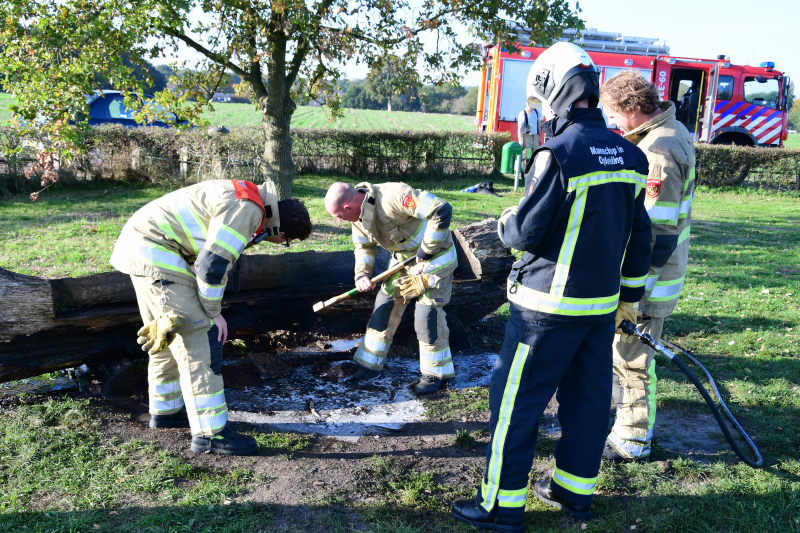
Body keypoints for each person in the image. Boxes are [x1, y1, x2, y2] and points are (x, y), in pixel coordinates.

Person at [450, 42, 652, 531]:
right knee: (586, 402)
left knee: (514, 406)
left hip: (543, 311)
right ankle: (572, 492)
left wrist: (502, 220)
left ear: (554, 92)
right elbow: (641, 236)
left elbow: (524, 233)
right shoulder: (630, 153)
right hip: (601, 310)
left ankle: (500, 506)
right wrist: (628, 298)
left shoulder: (557, 153)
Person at [110, 179, 313, 455]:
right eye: (285, 242)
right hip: (156, 253)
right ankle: (211, 435)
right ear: (281, 229)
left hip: (144, 247)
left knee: (167, 333)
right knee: (201, 337)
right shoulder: (249, 211)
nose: (280, 244)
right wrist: (213, 313)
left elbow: (203, 251)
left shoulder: (250, 199)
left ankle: (167, 411)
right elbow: (211, 266)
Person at [599, 71, 696, 462]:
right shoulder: (672, 131)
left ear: (632, 109)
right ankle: (621, 419)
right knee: (624, 356)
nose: (612, 124)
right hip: (657, 277)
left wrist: (633, 292)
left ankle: (633, 441)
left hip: (650, 282)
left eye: (614, 115)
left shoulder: (658, 150)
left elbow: (657, 233)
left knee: (632, 358)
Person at [324, 181, 457, 394]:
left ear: (348, 207)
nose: (338, 220)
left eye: (338, 215)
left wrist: (426, 251)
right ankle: (369, 364)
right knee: (384, 305)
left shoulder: (394, 196)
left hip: (436, 257)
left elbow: (441, 209)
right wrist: (362, 274)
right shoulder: (357, 216)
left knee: (427, 314)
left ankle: (437, 375)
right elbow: (364, 246)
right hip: (404, 259)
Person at [517, 99, 541, 163]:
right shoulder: (523, 113)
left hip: (535, 137)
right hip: (526, 137)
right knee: (527, 156)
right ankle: (525, 171)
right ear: (526, 103)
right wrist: (520, 141)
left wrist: (540, 137)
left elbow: (539, 125)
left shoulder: (536, 112)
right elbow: (520, 128)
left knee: (537, 155)